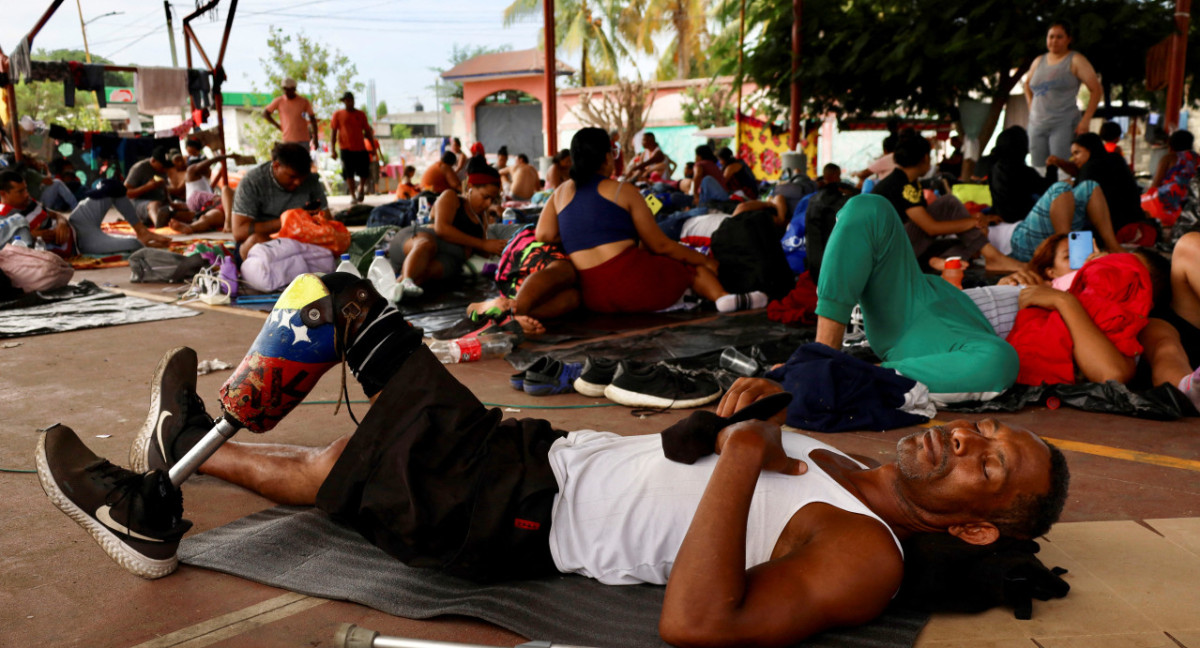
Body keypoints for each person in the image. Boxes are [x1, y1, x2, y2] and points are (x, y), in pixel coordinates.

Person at [34, 270, 1069, 647]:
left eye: (988, 464)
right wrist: (721, 416)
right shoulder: (848, 467)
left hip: (515, 519)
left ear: (977, 525)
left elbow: (697, 624)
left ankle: (146, 506)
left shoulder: (870, 552)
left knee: (343, 397)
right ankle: (188, 449)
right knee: (342, 371)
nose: (965, 436)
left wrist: (749, 455)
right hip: (540, 457)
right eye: (982, 429)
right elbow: (676, 455)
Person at [537, 128, 767, 314]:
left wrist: (580, 232)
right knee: (690, 267)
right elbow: (661, 245)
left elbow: (543, 235)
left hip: (593, 296)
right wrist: (705, 261)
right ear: (607, 157)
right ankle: (724, 298)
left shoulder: (560, 193)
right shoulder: (622, 190)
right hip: (632, 284)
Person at [872, 134, 1025, 272]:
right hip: (889, 253)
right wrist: (972, 222)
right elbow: (931, 228)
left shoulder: (904, 181)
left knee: (966, 243)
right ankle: (993, 257)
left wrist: (975, 219)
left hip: (898, 250)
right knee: (948, 202)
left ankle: (937, 262)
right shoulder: (902, 185)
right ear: (925, 157)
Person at [387, 157, 509, 300]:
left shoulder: (482, 218)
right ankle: (407, 280)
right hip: (414, 243)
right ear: (470, 187)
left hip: (448, 258)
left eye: (492, 199)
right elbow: (442, 229)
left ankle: (399, 289)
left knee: (432, 271)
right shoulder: (452, 198)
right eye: (485, 197)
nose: (488, 204)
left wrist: (501, 248)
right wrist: (482, 244)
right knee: (427, 244)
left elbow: (482, 251)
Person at [1, 171, 171, 255]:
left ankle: (143, 231)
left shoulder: (27, 201)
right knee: (134, 246)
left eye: (25, 190)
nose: (26, 195)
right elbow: (14, 252)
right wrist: (35, 236)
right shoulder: (5, 221)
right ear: (3, 194)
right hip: (80, 243)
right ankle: (141, 241)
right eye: (20, 192)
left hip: (76, 221)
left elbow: (54, 214)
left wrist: (61, 222)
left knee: (111, 187)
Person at [1024, 21, 1102, 172]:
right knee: (1038, 169)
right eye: (1051, 37)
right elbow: (1027, 84)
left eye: (1059, 37)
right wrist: (1030, 106)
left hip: (1063, 123)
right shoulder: (1038, 61)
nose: (1054, 40)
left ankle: (1063, 196)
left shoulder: (1076, 60)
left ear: (1068, 39)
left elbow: (1096, 90)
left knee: (1061, 168)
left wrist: (1086, 120)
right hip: (1037, 125)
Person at [230, 143, 328, 259]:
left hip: (301, 241)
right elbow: (239, 232)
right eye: (292, 177)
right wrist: (289, 220)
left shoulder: (310, 180)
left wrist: (316, 220)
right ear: (276, 166)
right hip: (266, 243)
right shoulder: (252, 182)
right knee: (255, 241)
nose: (298, 182)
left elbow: (327, 219)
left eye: (302, 177)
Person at [1047, 132, 1143, 235]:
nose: (1074, 158)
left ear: (1090, 150)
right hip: (1133, 221)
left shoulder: (1090, 167)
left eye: (1077, 153)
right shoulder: (1115, 158)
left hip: (1110, 228)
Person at [988, 126, 1053, 224]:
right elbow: (1048, 190)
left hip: (999, 218)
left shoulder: (994, 168)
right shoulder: (1021, 171)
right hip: (1021, 221)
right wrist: (1052, 168)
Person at [330, 91, 378, 205]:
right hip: (345, 149)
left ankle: (361, 189)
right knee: (348, 173)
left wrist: (374, 147)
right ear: (344, 101)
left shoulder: (361, 115)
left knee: (364, 172)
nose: (349, 102)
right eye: (346, 100)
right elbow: (333, 132)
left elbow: (367, 131)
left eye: (350, 100)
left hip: (360, 148)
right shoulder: (338, 114)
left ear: (353, 101)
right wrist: (333, 149)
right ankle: (352, 195)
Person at [1148, 129, 1199, 224]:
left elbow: (1156, 183)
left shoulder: (1169, 158)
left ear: (1171, 144)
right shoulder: (1197, 158)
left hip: (1170, 203)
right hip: (1193, 203)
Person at [124, 147, 173, 228]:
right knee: (155, 204)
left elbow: (165, 189)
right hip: (138, 203)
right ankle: (159, 225)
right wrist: (147, 187)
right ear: (153, 160)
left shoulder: (164, 169)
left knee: (176, 207)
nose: (164, 169)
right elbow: (126, 193)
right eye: (163, 166)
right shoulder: (139, 168)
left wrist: (170, 202)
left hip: (160, 202)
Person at [262, 78, 319, 148]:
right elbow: (265, 113)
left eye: (290, 89)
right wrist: (278, 126)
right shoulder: (279, 101)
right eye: (285, 89)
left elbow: (313, 119)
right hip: (287, 140)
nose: (287, 92)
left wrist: (315, 139)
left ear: (294, 89)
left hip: (303, 141)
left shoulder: (304, 102)